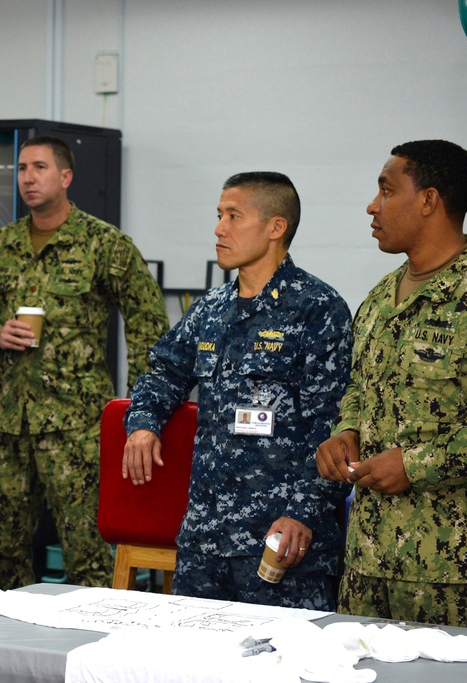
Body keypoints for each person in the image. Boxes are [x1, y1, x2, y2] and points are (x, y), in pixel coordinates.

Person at [316, 139, 467, 630]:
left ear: (428, 200)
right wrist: (346, 431)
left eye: (386, 190)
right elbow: (360, 387)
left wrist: (417, 464)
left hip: (463, 572)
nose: (372, 206)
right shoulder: (380, 298)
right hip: (368, 562)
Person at [122, 172, 352, 609]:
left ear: (275, 227)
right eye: (218, 215)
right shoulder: (210, 309)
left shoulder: (317, 309)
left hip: (282, 540)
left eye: (233, 216)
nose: (219, 229)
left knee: (283, 653)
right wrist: (144, 424)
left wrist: (304, 512)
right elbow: (163, 372)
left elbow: (336, 426)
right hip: (205, 540)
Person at [0, 135, 169, 592]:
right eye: (21, 169)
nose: (28, 178)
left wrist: (139, 411)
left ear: (66, 176)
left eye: (40, 167)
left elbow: (149, 326)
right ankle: (8, 637)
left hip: (76, 427)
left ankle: (93, 639)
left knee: (88, 559)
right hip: (5, 426)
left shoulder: (104, 244)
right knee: (2, 560)